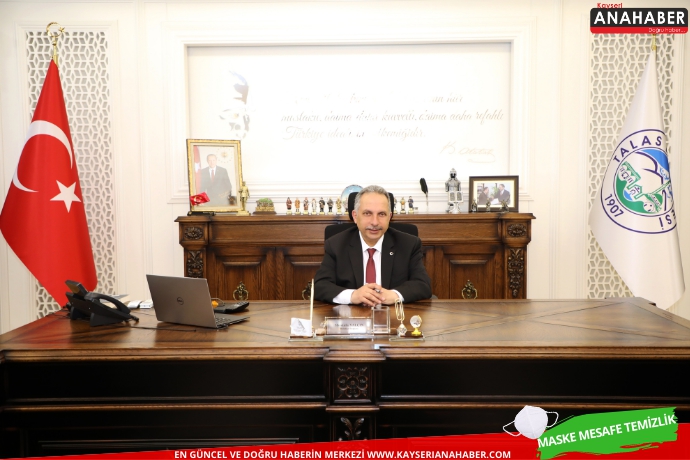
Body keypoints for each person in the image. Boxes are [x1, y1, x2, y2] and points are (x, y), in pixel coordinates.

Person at [314, 185, 432, 306]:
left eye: (381, 214)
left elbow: (422, 284)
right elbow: (320, 286)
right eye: (367, 213)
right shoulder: (336, 245)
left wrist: (394, 295)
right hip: (351, 315)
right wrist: (353, 295)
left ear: (389, 217)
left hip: (392, 315)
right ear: (355, 216)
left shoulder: (408, 244)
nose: (375, 222)